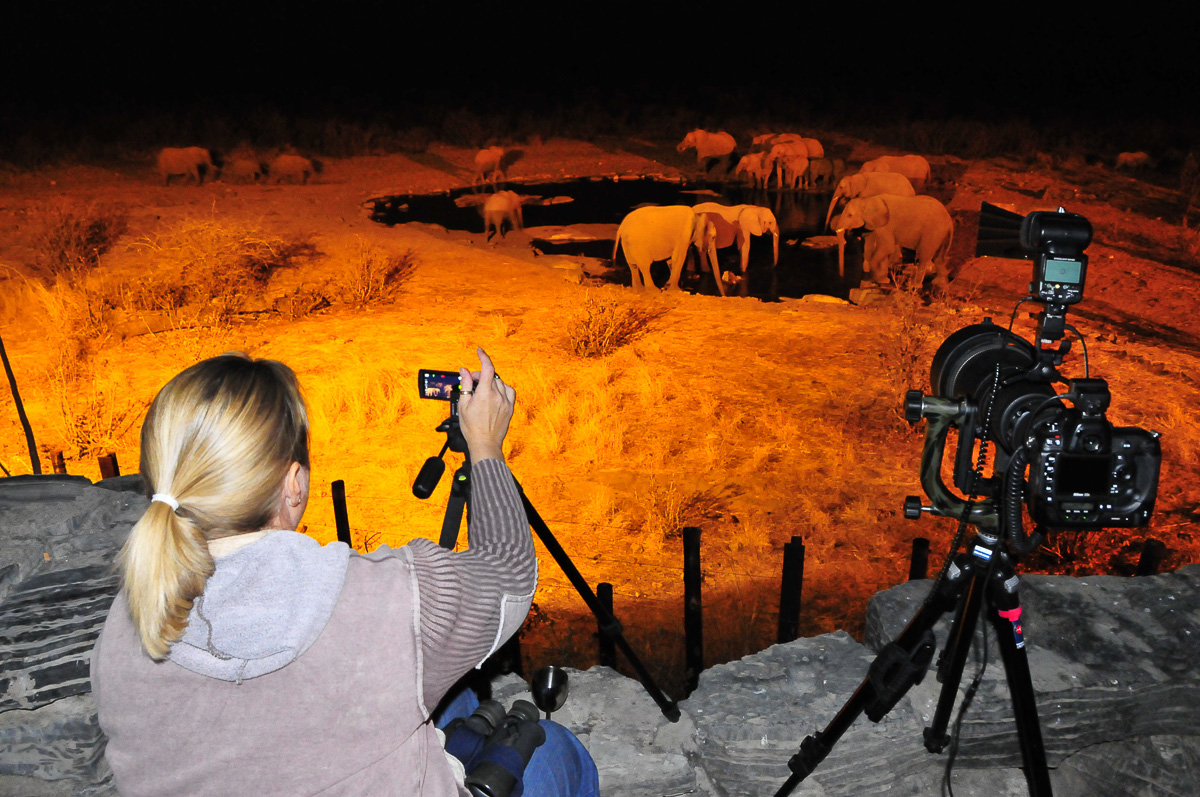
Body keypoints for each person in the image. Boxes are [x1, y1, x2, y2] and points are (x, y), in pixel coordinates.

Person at [90, 349, 599, 796]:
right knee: (557, 750)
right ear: (293, 484)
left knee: (458, 696)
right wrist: (485, 444)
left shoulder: (123, 626)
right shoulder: (382, 598)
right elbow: (509, 574)